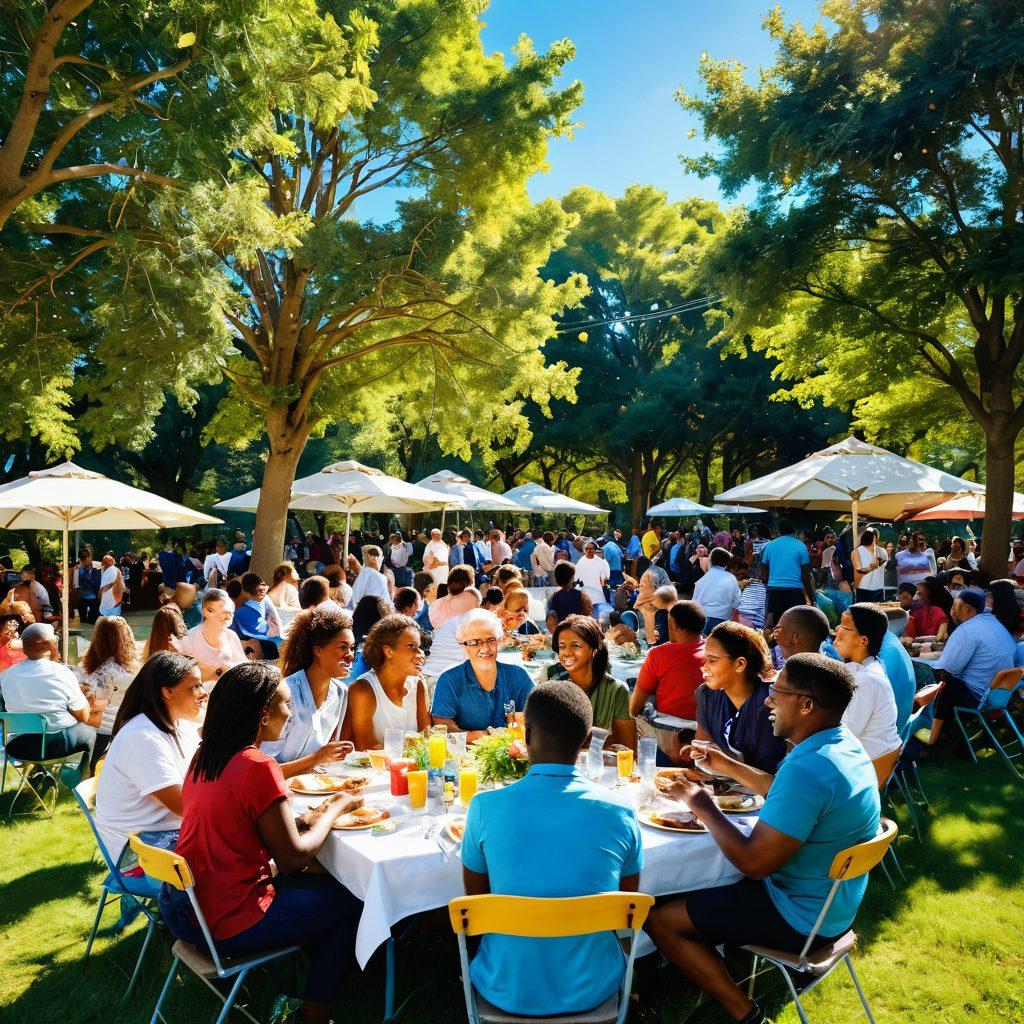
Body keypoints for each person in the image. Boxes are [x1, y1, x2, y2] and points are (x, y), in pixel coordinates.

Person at [647, 654, 880, 1024]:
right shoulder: (840, 745)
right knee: (697, 886)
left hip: (799, 917)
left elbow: (754, 864)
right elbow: (784, 791)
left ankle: (745, 1013)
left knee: (659, 918)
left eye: (777, 692)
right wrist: (727, 765)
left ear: (806, 704)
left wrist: (700, 804)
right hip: (834, 908)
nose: (768, 701)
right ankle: (710, 964)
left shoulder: (807, 769)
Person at [158, 662, 363, 1024]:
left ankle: (302, 968)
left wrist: (303, 820)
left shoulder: (206, 755)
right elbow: (294, 860)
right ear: (263, 713)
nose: (291, 712)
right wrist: (335, 808)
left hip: (183, 911)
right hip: (227, 922)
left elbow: (238, 822)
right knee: (350, 900)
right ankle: (315, 1015)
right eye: (285, 704)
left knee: (318, 888)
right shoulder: (258, 766)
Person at [460, 681, 643, 1017]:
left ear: (526, 735)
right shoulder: (621, 810)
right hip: (593, 986)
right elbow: (627, 907)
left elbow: (475, 907)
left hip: (505, 986)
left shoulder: (484, 806)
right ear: (588, 741)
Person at [94, 653, 206, 868]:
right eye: (195, 687)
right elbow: (185, 807)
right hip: (136, 856)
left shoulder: (179, 726)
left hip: (165, 835)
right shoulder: (143, 738)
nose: (203, 694)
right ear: (167, 692)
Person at [261, 608, 357, 777]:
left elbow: (326, 754)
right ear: (318, 651)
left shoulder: (341, 692)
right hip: (272, 789)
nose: (350, 656)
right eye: (342, 647)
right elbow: (262, 771)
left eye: (352, 648)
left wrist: (336, 752)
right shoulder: (285, 694)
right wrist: (318, 757)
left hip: (311, 786)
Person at [0, 622, 96, 776]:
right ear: (43, 643)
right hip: (55, 746)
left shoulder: (6, 675)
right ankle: (81, 779)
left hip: (17, 747)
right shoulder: (61, 673)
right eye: (54, 638)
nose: (57, 640)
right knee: (90, 731)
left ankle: (39, 772)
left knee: (42, 727)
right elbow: (83, 716)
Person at [690, 622, 786, 774]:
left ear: (740, 664)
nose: (704, 667)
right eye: (704, 660)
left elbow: (771, 772)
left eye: (712, 660)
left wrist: (722, 763)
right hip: (726, 791)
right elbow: (703, 749)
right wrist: (701, 755)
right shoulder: (706, 695)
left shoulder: (770, 702)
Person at [929, 589, 1017, 743]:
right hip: (1000, 695)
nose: (951, 611)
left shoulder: (967, 629)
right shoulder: (996, 623)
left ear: (966, 609)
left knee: (943, 683)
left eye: (954, 606)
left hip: (979, 697)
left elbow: (948, 667)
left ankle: (932, 736)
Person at [430, 610, 534, 740]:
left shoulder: (518, 676)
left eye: (491, 640)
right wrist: (483, 737)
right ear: (463, 645)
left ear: (499, 641)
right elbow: (443, 726)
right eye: (475, 642)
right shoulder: (449, 680)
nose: (485, 648)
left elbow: (536, 718)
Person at [342, 615, 430, 749]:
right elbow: (368, 749)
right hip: (372, 769)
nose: (420, 653)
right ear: (388, 651)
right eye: (411, 646)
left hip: (411, 766)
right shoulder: (363, 690)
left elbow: (426, 737)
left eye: (419, 647)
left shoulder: (418, 684)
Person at [552, 614, 635, 750]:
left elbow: (628, 751)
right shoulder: (553, 687)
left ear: (594, 650)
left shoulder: (615, 690)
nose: (567, 653)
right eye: (562, 646)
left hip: (602, 768)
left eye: (576, 646)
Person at [630, 600, 706, 743]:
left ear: (674, 626)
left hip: (667, 734)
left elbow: (634, 708)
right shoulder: (714, 653)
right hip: (706, 735)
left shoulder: (658, 654)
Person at [832, 604, 901, 760]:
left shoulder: (867, 679)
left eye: (843, 630)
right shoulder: (866, 666)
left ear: (863, 641)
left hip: (866, 763)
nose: (837, 631)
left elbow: (847, 731)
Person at [73, 615, 139, 767]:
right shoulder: (126, 674)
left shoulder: (83, 668)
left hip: (86, 728)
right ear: (125, 638)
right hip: (116, 730)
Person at [178, 588, 247, 683]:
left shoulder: (231, 635)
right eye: (225, 612)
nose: (228, 617)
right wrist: (217, 672)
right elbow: (183, 674)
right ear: (207, 612)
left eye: (231, 613)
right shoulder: (188, 638)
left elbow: (242, 663)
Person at [758, 520, 814, 627]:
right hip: (795, 592)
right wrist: (810, 597)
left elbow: (763, 572)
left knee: (774, 625)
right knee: (795, 624)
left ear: (779, 531)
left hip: (774, 591)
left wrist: (768, 586)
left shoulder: (769, 546)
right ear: (793, 531)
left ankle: (774, 643)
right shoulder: (800, 546)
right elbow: (806, 575)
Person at [233, 573, 284, 659]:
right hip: (256, 637)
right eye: (259, 592)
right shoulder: (241, 611)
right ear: (249, 594)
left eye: (263, 589)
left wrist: (280, 631)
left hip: (269, 630)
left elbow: (275, 614)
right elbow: (247, 632)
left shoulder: (265, 598)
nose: (262, 594)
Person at [693, 547, 742, 635]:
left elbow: (694, 602)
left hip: (703, 619)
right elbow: (737, 600)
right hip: (723, 620)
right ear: (727, 562)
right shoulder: (731, 578)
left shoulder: (702, 579)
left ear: (710, 561)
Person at [545, 561, 592, 628]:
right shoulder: (581, 595)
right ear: (571, 578)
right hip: (579, 630)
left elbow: (551, 616)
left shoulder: (554, 597)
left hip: (561, 631)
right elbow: (588, 613)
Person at [904, 576, 951, 640]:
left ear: (929, 595)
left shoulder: (938, 613)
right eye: (916, 593)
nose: (915, 598)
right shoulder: (915, 613)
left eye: (919, 594)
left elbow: (940, 638)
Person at [349, 546, 392, 610]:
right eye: (381, 555)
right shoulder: (377, 576)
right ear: (373, 557)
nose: (382, 559)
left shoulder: (362, 574)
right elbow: (372, 604)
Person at [853, 527, 888, 603]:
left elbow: (876, 564)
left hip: (877, 590)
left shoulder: (882, 551)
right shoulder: (858, 551)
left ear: (877, 538)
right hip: (862, 590)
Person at [574, 539, 610, 606]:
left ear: (595, 550)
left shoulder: (600, 561)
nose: (589, 550)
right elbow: (576, 577)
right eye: (587, 548)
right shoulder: (581, 561)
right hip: (584, 590)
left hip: (597, 591)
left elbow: (604, 577)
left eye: (591, 548)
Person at [74, 550, 102, 626]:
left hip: (95, 598)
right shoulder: (78, 570)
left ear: (90, 557)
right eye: (83, 558)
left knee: (94, 621)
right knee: (83, 621)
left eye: (87, 557)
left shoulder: (98, 566)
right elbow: (76, 587)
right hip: (83, 598)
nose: (85, 560)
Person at [98, 554, 125, 618]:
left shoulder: (114, 571)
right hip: (109, 604)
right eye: (104, 562)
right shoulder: (102, 571)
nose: (105, 564)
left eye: (107, 562)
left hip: (113, 604)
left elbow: (107, 587)